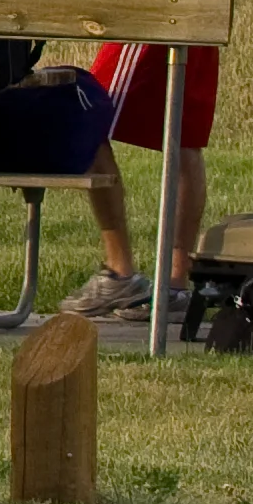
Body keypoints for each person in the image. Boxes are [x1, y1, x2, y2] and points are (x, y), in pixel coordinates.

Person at [59, 42, 217, 319]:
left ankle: (120, 275)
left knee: (87, 113)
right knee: (182, 135)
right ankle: (173, 285)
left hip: (158, 9)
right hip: (193, 9)